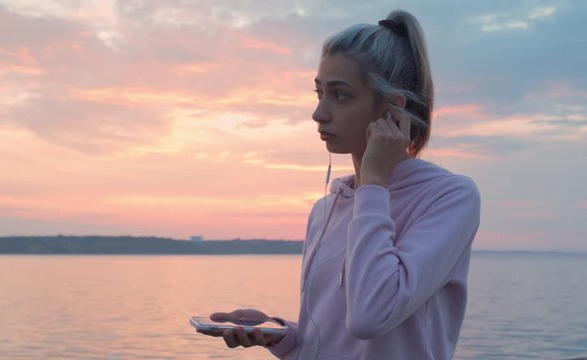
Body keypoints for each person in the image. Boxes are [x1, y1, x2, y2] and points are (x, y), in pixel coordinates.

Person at [198, 9, 481, 360]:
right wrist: (277, 334)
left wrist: (373, 184)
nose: (319, 113)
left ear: (393, 108)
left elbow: (370, 316)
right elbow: (332, 341)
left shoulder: (448, 198)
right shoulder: (325, 209)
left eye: (340, 95)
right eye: (319, 93)